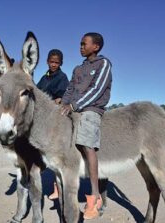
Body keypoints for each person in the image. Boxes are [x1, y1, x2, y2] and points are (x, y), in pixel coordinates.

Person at [61, 32, 112, 220]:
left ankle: (95, 195)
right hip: (74, 109)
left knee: (87, 145)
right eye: (80, 44)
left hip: (90, 109)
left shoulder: (103, 64)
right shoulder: (77, 69)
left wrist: (74, 106)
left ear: (96, 47)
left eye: (84, 44)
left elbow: (97, 89)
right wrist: (62, 106)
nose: (81, 46)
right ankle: (60, 186)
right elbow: (69, 90)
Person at [37, 49, 69, 200]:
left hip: (55, 113)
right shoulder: (44, 78)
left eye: (57, 62)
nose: (54, 64)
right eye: (52, 62)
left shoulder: (62, 77)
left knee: (56, 151)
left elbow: (64, 96)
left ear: (61, 63)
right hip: (41, 114)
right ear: (47, 61)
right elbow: (37, 93)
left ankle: (59, 187)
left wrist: (57, 100)